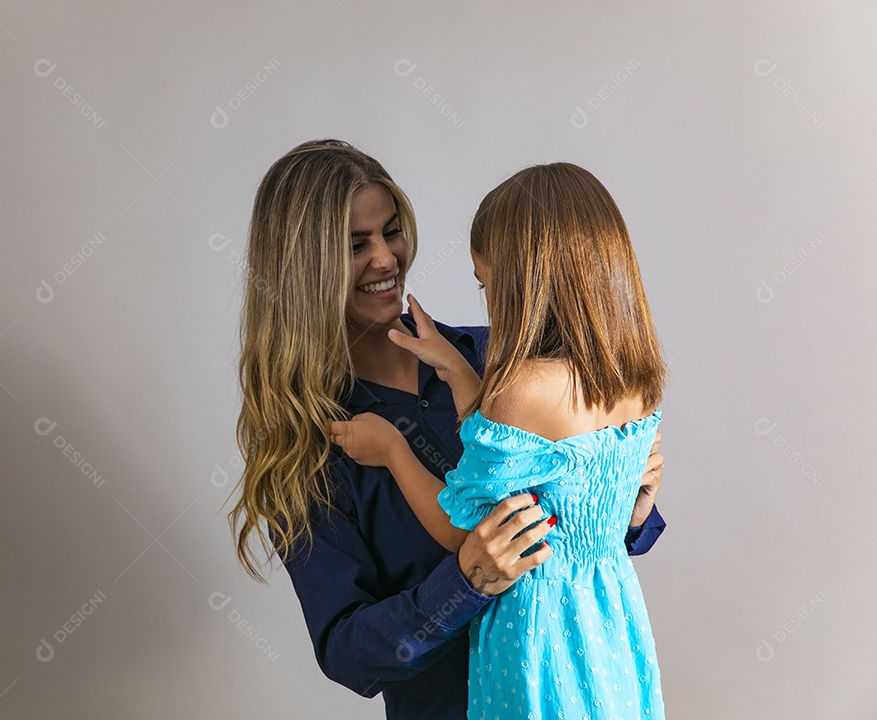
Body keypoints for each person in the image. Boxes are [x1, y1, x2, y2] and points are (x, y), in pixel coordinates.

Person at [229, 140, 666, 720]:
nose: (386, 259)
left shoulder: (501, 360)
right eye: (356, 245)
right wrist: (465, 582)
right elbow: (347, 652)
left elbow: (594, 528)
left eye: (391, 231)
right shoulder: (311, 446)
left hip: (578, 690)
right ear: (304, 268)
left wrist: (632, 509)